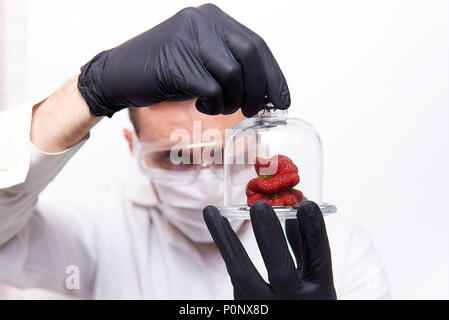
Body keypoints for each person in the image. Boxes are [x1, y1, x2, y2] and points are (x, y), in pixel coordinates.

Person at [0, 4, 389, 299]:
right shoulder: (97, 233)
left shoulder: (340, 252)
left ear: (256, 143)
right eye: (174, 157)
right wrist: (91, 90)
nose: (205, 176)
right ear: (134, 148)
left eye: (224, 154)